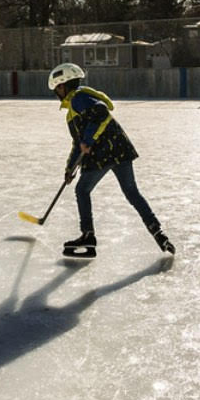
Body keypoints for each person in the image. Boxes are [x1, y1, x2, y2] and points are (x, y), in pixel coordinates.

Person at [47, 62, 174, 258]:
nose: (56, 92)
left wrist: (88, 140)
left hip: (103, 154)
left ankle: (88, 237)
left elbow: (101, 111)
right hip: (120, 149)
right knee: (132, 192)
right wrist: (70, 168)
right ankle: (158, 232)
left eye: (57, 88)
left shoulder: (77, 99)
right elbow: (78, 142)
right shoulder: (76, 104)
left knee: (82, 190)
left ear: (65, 85)